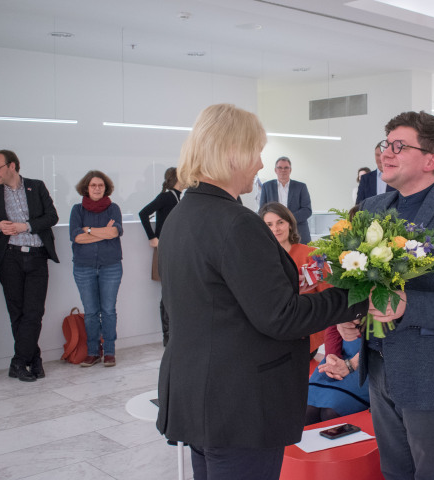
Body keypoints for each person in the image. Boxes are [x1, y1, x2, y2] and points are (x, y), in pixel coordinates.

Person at [155, 103, 393, 480]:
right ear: (233, 153)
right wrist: (358, 297)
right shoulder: (237, 223)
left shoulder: (181, 216)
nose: (261, 165)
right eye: (256, 152)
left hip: (194, 394)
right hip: (240, 404)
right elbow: (281, 316)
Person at [339, 111, 434, 479]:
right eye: (385, 144)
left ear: (431, 160)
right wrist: (349, 313)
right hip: (377, 365)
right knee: (393, 471)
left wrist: (406, 305)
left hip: (431, 372)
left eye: (398, 146)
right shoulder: (371, 209)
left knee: (432, 473)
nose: (386, 153)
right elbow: (360, 280)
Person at [0, 149, 59, 382]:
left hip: (37, 255)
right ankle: (34, 359)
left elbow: (52, 217)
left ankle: (19, 362)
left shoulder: (37, 186)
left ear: (12, 166)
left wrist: (26, 226)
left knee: (34, 311)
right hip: (8, 257)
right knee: (18, 312)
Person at [69, 171, 123, 368]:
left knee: (108, 310)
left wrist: (89, 230)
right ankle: (92, 352)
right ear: (86, 188)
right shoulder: (77, 210)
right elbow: (76, 237)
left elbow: (115, 231)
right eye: (93, 185)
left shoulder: (113, 208)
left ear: (105, 187)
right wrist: (104, 233)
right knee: (91, 312)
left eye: (100, 185)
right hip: (84, 268)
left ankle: (109, 352)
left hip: (111, 266)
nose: (97, 188)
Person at [259, 201, 326, 357]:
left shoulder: (314, 254)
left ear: (289, 224)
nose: (275, 229)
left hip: (307, 331)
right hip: (274, 333)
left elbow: (327, 288)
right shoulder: (260, 260)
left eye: (280, 222)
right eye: (269, 224)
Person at [139, 167, 182, 346]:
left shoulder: (178, 197)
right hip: (167, 250)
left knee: (176, 292)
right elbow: (143, 213)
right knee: (168, 293)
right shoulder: (166, 197)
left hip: (177, 250)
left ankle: (174, 333)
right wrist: (152, 237)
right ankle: (168, 336)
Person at [260, 156, 313, 243]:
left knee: (301, 256)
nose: (283, 170)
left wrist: (288, 219)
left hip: (298, 231)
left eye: (286, 168)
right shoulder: (266, 186)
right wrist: (277, 222)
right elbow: (262, 210)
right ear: (275, 170)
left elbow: (307, 210)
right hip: (274, 232)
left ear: (290, 170)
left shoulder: (301, 187)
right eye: (280, 168)